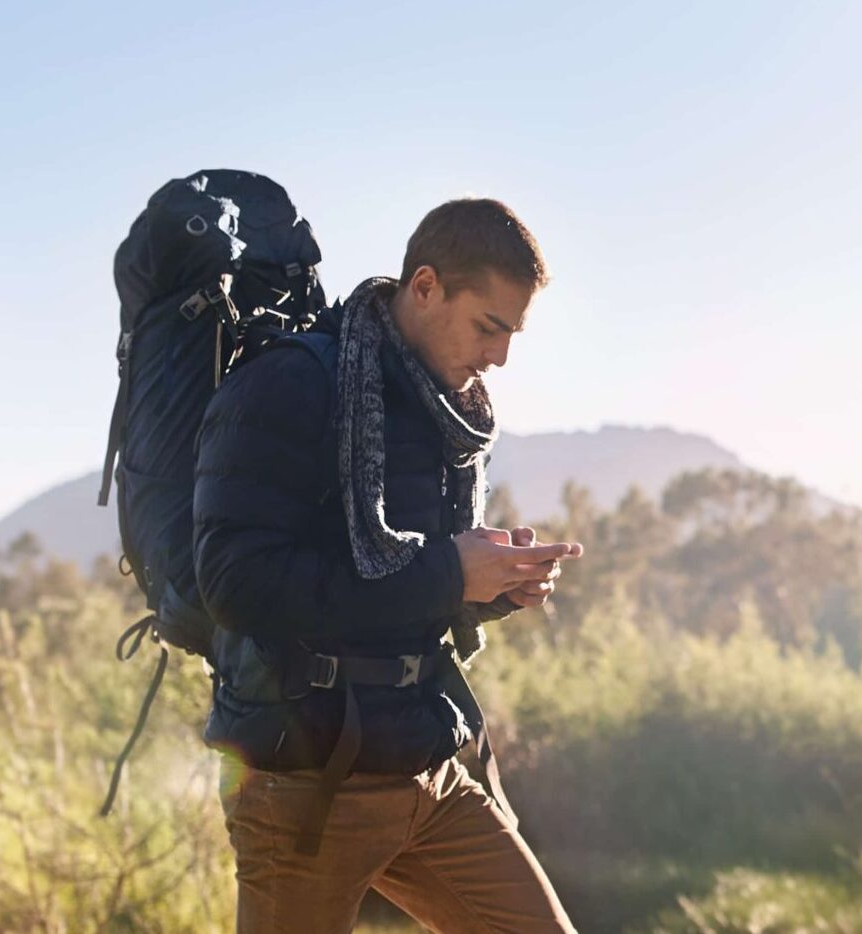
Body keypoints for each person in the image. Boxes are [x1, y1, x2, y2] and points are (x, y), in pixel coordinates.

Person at [192, 197, 584, 933]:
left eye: (512, 334)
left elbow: (404, 583)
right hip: (305, 781)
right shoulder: (289, 383)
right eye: (489, 326)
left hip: (423, 765)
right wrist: (447, 576)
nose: (499, 356)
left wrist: (488, 584)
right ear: (426, 285)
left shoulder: (441, 411)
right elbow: (236, 582)